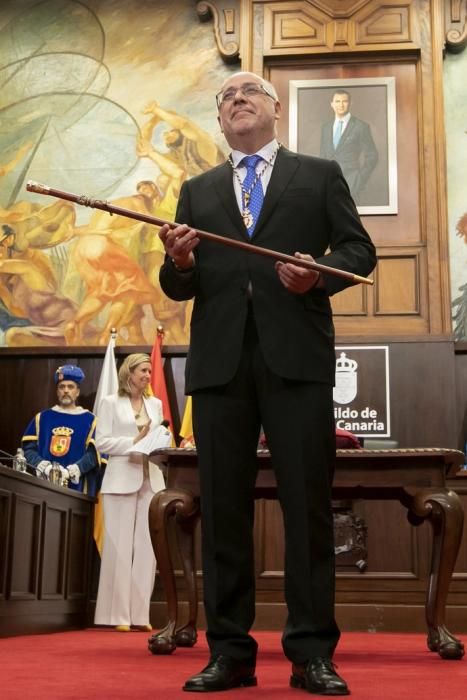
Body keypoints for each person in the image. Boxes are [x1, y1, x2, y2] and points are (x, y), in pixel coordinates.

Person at [158, 71, 377, 694]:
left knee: (307, 508)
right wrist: (179, 260)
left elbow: (358, 254)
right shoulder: (196, 189)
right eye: (226, 97)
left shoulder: (318, 174)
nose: (236, 99)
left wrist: (319, 274)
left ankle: (312, 654)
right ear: (220, 120)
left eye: (249, 91)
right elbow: (180, 285)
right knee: (223, 510)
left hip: (297, 359)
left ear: (274, 110)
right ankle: (229, 653)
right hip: (220, 364)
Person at [94, 353, 168, 631]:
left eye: (150, 371)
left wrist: (158, 440)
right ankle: (117, 616)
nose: (148, 376)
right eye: (143, 371)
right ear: (129, 373)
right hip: (120, 480)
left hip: (151, 479)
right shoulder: (110, 403)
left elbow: (159, 437)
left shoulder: (156, 404)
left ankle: (141, 615)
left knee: (148, 549)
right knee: (120, 548)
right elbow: (102, 443)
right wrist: (133, 441)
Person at [22, 364, 101, 495]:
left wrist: (74, 470)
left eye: (70, 387)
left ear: (78, 392)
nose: (66, 390)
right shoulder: (42, 417)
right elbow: (28, 449)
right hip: (44, 484)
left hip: (78, 488)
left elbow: (95, 454)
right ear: (57, 391)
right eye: (61, 387)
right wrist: (43, 466)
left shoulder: (91, 420)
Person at [320, 89, 378, 203]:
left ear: (350, 103)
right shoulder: (326, 128)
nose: (341, 105)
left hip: (352, 184)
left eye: (344, 101)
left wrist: (360, 179)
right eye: (337, 101)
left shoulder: (361, 127)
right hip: (329, 185)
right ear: (332, 104)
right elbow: (323, 155)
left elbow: (372, 155)